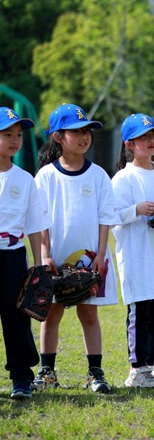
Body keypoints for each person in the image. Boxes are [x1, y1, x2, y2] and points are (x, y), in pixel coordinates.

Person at [34, 104, 118, 394]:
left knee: (89, 314)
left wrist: (102, 255)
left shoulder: (98, 176)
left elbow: (106, 219)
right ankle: (47, 371)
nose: (84, 136)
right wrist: (45, 255)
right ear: (58, 137)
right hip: (56, 257)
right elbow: (39, 219)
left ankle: (95, 372)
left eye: (87, 131)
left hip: (90, 259)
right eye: (76, 131)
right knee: (51, 314)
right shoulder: (46, 176)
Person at [111, 114, 154, 389]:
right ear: (129, 143)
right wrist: (136, 210)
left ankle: (153, 364)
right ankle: (137, 369)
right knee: (140, 309)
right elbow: (112, 215)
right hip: (137, 251)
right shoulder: (123, 178)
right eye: (144, 136)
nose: (152, 140)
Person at [0, 108, 50, 400]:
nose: (15, 140)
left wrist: (39, 268)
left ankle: (21, 378)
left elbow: (34, 226)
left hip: (14, 255)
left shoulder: (24, 178)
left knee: (16, 318)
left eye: (18, 135)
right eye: (7, 134)